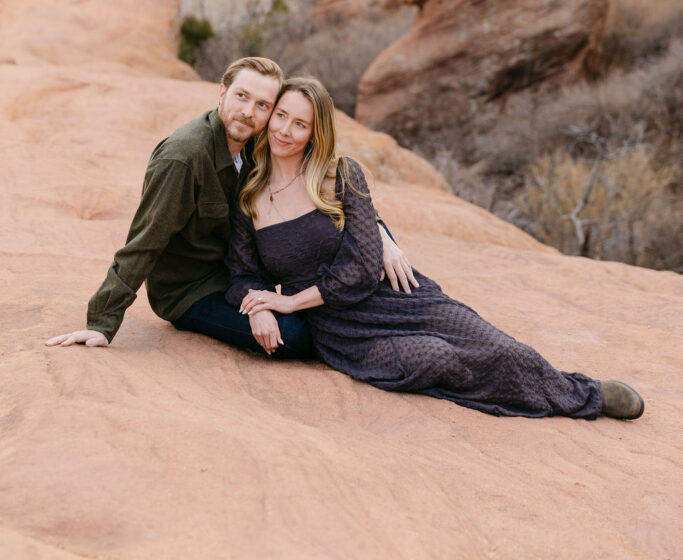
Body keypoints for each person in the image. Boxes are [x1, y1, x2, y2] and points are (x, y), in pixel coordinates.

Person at [226, 75, 645, 420]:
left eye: (300, 123)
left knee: (501, 348)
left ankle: (585, 393)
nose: (285, 130)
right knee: (435, 357)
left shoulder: (342, 174)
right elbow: (242, 273)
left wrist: (291, 302)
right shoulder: (249, 196)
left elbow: (364, 264)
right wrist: (260, 306)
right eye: (281, 116)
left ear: (315, 132)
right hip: (343, 330)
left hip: (398, 296)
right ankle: (541, 395)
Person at [46, 57, 415, 358]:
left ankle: (396, 319)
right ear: (221, 93)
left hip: (248, 272)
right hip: (194, 289)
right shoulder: (184, 158)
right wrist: (101, 322)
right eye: (241, 96)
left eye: (263, 105)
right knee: (293, 335)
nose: (249, 112)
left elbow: (327, 177)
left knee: (360, 270)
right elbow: (144, 242)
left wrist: (379, 231)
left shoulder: (261, 142)